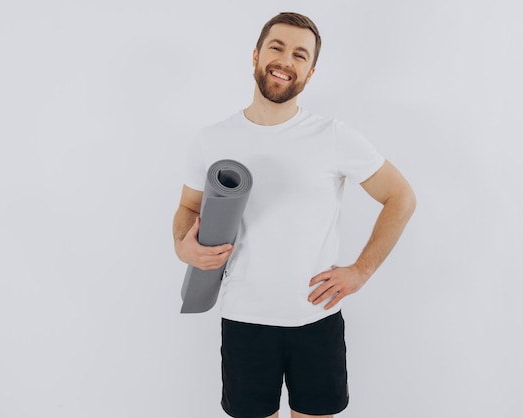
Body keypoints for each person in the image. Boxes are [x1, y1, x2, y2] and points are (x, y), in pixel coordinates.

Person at [172, 12, 416, 418]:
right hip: (244, 320)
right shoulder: (211, 139)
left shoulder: (332, 136)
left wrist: (361, 271)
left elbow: (400, 197)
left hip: (315, 319)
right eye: (277, 47)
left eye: (300, 55)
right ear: (255, 55)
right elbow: (188, 208)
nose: (286, 61)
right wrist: (185, 248)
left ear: (310, 71)